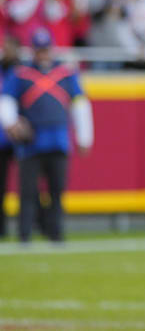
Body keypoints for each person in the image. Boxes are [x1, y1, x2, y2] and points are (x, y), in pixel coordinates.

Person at [0, 29, 93, 244]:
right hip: (31, 142)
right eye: (39, 50)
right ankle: (25, 235)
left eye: (45, 49)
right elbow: (6, 100)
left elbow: (80, 104)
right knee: (28, 193)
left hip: (58, 140)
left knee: (57, 192)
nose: (43, 54)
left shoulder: (66, 74)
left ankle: (56, 233)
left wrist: (85, 137)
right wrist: (11, 122)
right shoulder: (22, 74)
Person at [0, 37, 20, 239]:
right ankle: (2, 228)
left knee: (31, 185)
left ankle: (36, 224)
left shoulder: (23, 71)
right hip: (2, 137)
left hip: (22, 135)